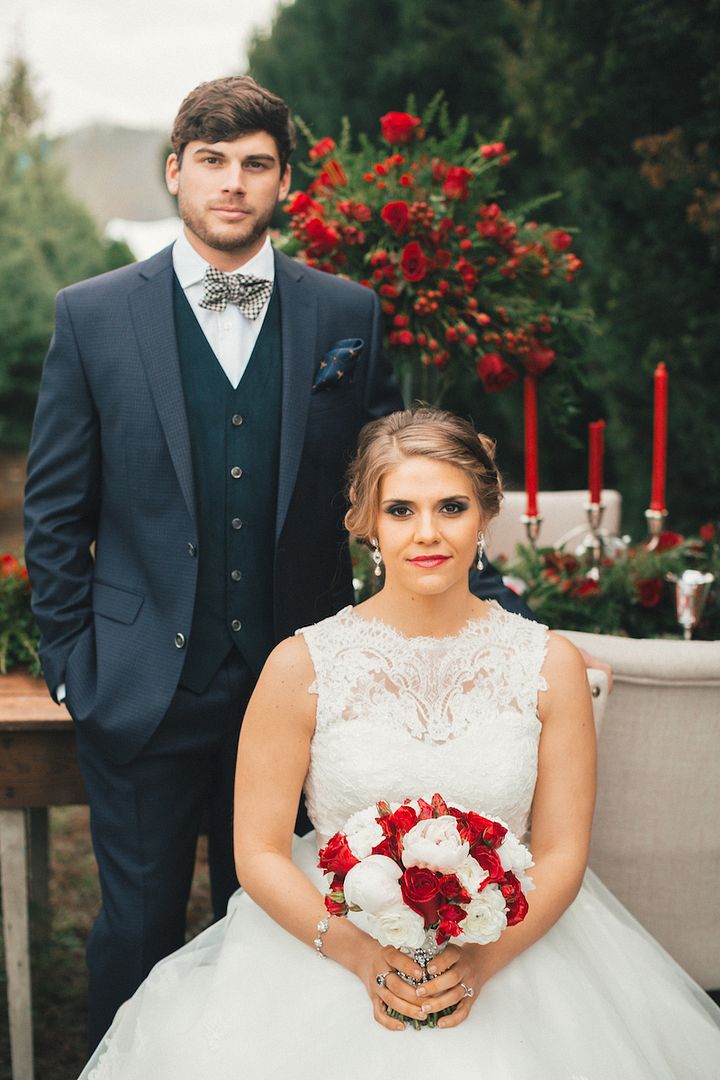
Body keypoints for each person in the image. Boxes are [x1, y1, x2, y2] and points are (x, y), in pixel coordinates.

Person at [23, 77, 528, 1051]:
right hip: (141, 686)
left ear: (284, 181)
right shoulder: (92, 317)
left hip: (306, 690)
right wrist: (71, 660)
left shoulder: (347, 312)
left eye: (255, 163)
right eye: (212, 161)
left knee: (279, 924)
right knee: (135, 927)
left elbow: (398, 482)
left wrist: (493, 607)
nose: (232, 182)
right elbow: (55, 507)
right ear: (175, 172)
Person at [77, 407, 720, 1079]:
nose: (428, 534)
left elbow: (561, 852)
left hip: (514, 951)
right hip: (330, 947)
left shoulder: (548, 664)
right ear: (367, 525)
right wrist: (359, 954)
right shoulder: (301, 666)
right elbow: (258, 851)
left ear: (485, 516)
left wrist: (481, 962)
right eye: (401, 510)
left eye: (451, 506)